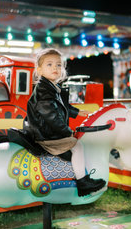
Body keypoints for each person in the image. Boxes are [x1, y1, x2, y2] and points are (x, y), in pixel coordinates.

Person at [23, 48, 106, 197]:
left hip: (47, 132)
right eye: (49, 64)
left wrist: (76, 112)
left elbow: (60, 106)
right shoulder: (44, 90)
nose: (55, 68)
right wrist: (67, 132)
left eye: (58, 65)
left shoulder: (51, 87)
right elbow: (51, 116)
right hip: (45, 136)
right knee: (77, 145)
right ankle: (83, 182)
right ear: (39, 70)